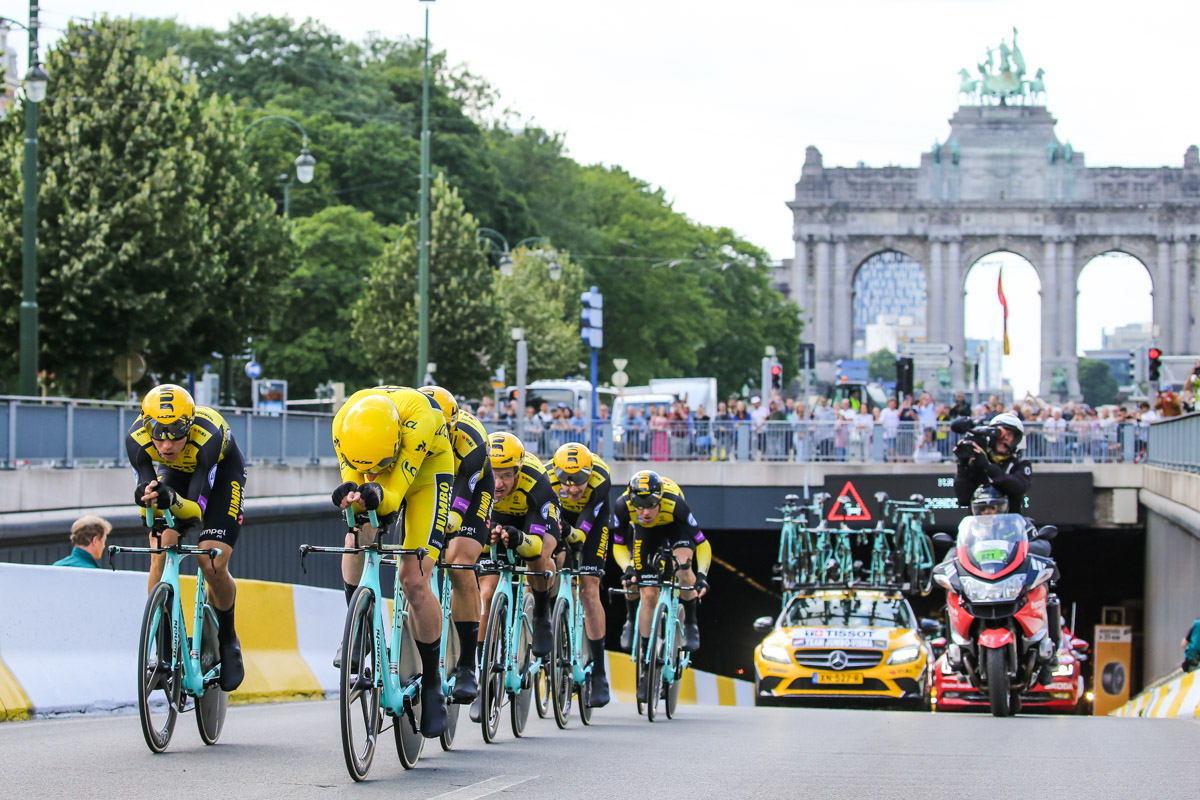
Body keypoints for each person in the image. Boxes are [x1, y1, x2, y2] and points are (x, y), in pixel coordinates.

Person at [330, 385, 452, 738]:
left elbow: (394, 491)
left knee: (413, 578)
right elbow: (356, 478)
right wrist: (353, 492)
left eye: (381, 462)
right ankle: (357, 627)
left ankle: (432, 680)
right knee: (357, 530)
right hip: (374, 464)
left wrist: (380, 490)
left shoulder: (422, 420)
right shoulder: (343, 424)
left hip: (427, 472)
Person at [127, 384, 246, 692]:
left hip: (219, 477)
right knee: (161, 548)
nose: (166, 445)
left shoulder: (207, 438)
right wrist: (147, 495)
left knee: (211, 560)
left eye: (177, 434)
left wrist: (170, 500)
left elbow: (194, 511)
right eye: (159, 434)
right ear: (146, 425)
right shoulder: (136, 439)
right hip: (176, 474)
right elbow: (145, 481)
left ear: (189, 427)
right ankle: (163, 646)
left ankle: (228, 638)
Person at [471, 432, 561, 721]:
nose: (499, 484)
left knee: (540, 557)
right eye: (494, 476)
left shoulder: (537, 480)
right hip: (499, 520)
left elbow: (534, 544)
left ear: (518, 471)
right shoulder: (478, 478)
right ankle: (481, 673)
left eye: (507, 476)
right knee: (486, 592)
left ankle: (542, 614)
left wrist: (518, 537)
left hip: (532, 521)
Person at [417, 385, 493, 705]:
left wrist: (445, 524)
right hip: (428, 481)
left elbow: (459, 503)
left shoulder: (470, 441)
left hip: (470, 491)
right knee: (415, 558)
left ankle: (466, 664)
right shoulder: (412, 430)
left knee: (460, 561)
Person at [613, 470, 712, 702]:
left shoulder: (676, 505)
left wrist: (701, 575)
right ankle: (643, 653)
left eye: (650, 505)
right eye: (639, 505)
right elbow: (617, 544)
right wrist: (627, 568)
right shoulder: (622, 505)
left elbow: (703, 544)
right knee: (645, 591)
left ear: (659, 499)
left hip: (674, 528)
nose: (645, 512)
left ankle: (691, 623)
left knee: (683, 568)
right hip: (644, 534)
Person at [547, 442, 613, 707]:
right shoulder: (546, 476)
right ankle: (552, 619)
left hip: (592, 522)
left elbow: (582, 532)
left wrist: (570, 536)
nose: (572, 489)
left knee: (589, 590)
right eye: (567, 483)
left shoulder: (601, 478)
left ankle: (599, 672)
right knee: (549, 562)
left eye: (579, 483)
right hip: (559, 516)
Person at [952, 412, 1033, 512]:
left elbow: (1018, 488)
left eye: (1010, 434)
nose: (1005, 438)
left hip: (1009, 524)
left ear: (1016, 439)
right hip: (979, 524)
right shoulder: (977, 461)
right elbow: (963, 499)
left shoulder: (1020, 464)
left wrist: (988, 466)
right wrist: (963, 464)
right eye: (1001, 433)